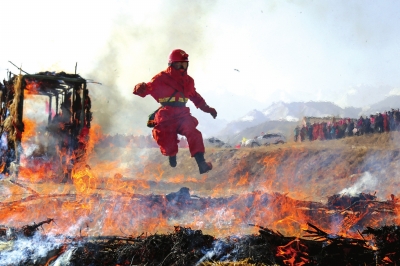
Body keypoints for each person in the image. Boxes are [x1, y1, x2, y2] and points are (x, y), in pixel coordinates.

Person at [133, 49, 217, 174]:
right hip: (166, 114)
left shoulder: (189, 81)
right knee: (165, 137)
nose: (182, 68)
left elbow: (195, 97)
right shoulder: (160, 78)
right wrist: (140, 88)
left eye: (184, 65)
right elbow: (146, 89)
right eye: (179, 65)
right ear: (171, 65)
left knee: (194, 133)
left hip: (183, 114)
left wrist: (208, 109)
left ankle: (202, 164)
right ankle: (172, 155)